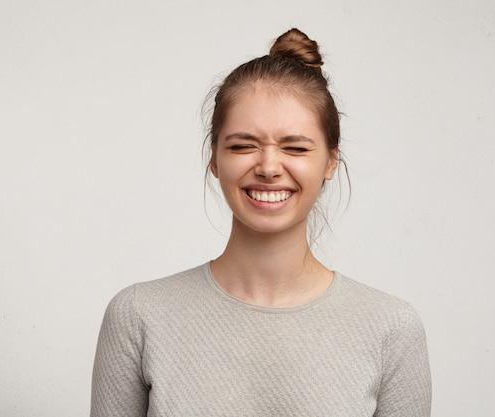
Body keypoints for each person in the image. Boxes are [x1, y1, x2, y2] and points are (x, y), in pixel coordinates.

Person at [91, 28, 431, 417]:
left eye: (295, 148)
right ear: (214, 159)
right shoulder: (137, 316)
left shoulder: (391, 330)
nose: (269, 167)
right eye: (242, 145)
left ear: (331, 161)